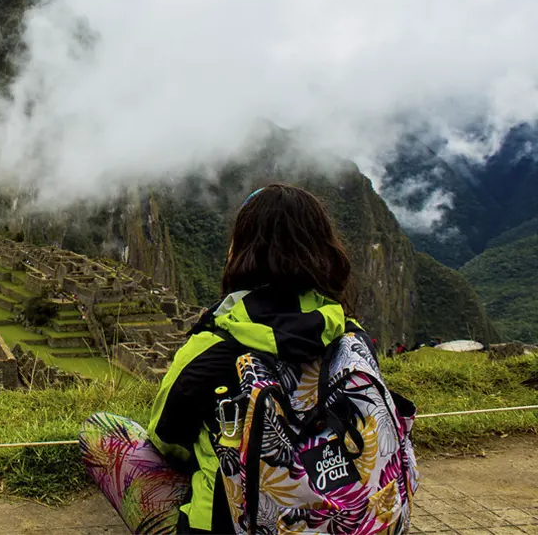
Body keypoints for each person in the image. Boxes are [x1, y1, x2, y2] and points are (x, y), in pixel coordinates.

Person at [79, 185, 417, 534]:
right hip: (357, 521)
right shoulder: (352, 337)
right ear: (325, 250)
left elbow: (167, 440)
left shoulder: (215, 346)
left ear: (239, 251)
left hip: (237, 525)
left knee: (101, 430)